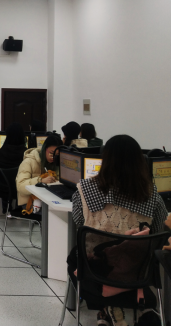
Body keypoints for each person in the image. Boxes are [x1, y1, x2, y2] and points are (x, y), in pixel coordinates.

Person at [70, 135, 168, 326]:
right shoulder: (152, 195)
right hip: (136, 272)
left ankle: (105, 308)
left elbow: (80, 224)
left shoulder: (84, 190)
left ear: (104, 159)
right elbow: (157, 233)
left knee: (73, 257)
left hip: (95, 270)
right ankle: (124, 307)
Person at [16, 134, 63, 207]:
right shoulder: (28, 162)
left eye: (57, 155)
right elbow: (20, 186)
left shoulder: (56, 163)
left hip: (48, 199)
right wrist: (40, 180)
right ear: (44, 149)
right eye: (51, 153)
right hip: (30, 202)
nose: (53, 157)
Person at [0, 122, 28, 211]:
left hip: (3, 189)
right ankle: (19, 208)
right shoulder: (26, 154)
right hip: (21, 189)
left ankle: (6, 206)